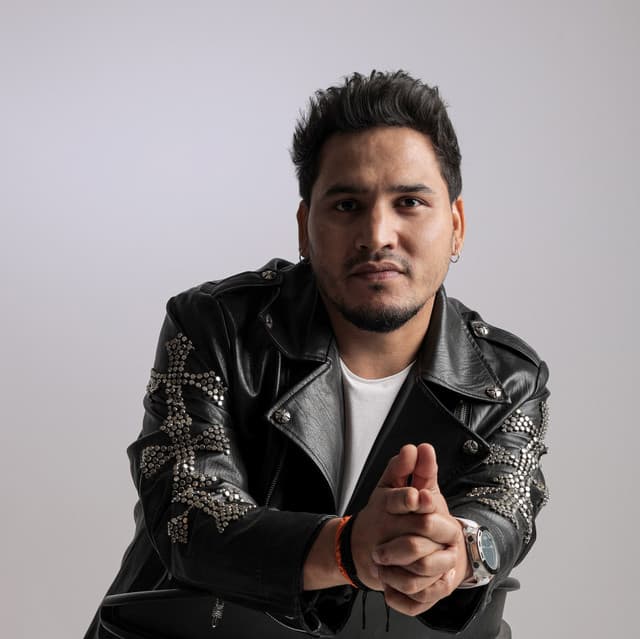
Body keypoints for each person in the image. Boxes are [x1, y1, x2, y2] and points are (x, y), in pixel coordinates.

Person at [85, 71, 550, 639]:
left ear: (455, 226)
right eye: (348, 204)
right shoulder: (214, 328)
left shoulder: (507, 380)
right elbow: (189, 514)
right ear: (305, 228)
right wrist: (348, 548)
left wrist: (458, 551)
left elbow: (505, 504)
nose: (378, 234)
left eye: (409, 202)